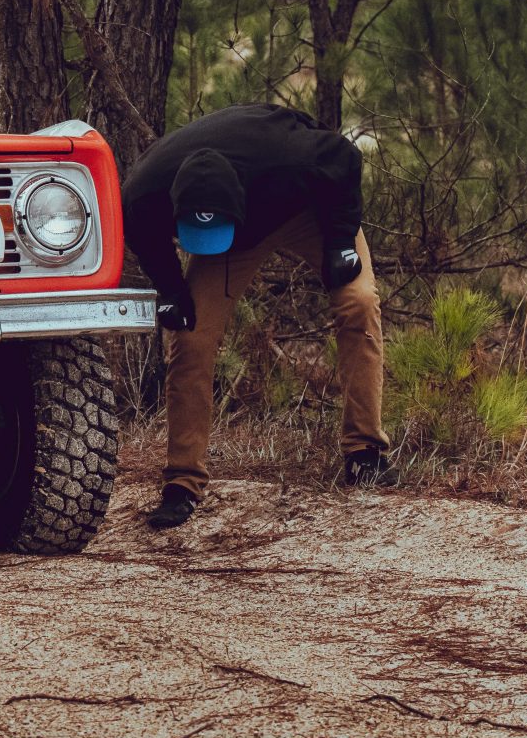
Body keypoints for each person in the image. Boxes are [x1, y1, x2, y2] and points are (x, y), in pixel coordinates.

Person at [123, 103, 388, 530]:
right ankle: (182, 483)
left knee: (357, 301)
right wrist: (172, 290)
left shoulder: (292, 158)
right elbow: (146, 240)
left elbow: (346, 159)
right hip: (235, 237)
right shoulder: (143, 193)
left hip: (304, 209)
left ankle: (365, 453)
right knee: (189, 336)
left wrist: (341, 241)